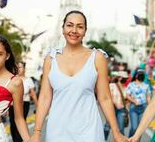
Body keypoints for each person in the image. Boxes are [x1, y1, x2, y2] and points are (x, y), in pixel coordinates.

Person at [30, 10, 129, 142]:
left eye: (80, 26)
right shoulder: (50, 58)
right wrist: (37, 132)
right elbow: (44, 98)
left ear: (85, 31)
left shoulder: (97, 57)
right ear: (63, 28)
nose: (74, 30)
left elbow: (104, 98)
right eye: (70, 25)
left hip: (89, 131)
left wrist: (116, 133)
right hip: (57, 131)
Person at [9, 61, 38, 142]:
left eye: (20, 67)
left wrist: (38, 107)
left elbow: (33, 94)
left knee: (21, 122)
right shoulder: (13, 79)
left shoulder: (29, 80)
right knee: (12, 124)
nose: (18, 69)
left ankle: (18, 140)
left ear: (24, 68)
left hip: (24, 103)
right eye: (17, 67)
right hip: (12, 104)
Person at [126, 69, 151, 137]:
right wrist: (134, 101)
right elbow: (127, 95)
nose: (141, 75)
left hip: (143, 108)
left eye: (142, 74)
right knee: (134, 127)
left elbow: (148, 97)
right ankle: (130, 140)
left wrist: (149, 107)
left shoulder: (146, 85)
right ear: (136, 75)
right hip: (133, 108)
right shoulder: (131, 85)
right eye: (139, 74)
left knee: (139, 130)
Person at [104, 72, 129, 140]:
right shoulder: (112, 85)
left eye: (126, 78)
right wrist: (114, 103)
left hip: (121, 110)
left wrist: (126, 108)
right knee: (107, 126)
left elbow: (125, 99)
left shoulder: (125, 87)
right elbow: (108, 96)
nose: (125, 79)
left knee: (121, 129)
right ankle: (103, 139)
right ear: (119, 77)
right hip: (112, 108)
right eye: (124, 78)